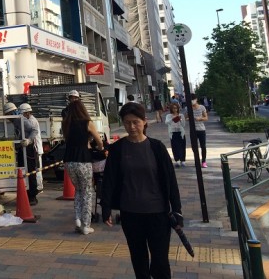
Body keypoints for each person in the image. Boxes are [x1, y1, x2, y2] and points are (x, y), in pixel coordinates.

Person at [101, 102, 183, 279]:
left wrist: (177, 209)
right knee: (139, 260)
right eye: (127, 122)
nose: (131, 127)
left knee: (160, 261)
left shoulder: (156, 147)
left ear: (145, 122)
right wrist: (106, 207)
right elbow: (109, 179)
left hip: (158, 213)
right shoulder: (117, 149)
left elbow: (171, 180)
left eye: (136, 122)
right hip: (131, 213)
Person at [62, 99, 104, 235]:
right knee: (87, 191)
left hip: (69, 161)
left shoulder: (66, 124)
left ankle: (78, 220)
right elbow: (99, 141)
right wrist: (100, 147)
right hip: (83, 160)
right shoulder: (88, 123)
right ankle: (86, 225)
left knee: (78, 190)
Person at [18, 103, 42, 205]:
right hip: (24, 148)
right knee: (23, 172)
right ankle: (26, 194)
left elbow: (34, 131)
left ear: (27, 113)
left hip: (32, 149)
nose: (22, 115)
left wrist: (28, 141)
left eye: (23, 113)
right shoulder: (23, 120)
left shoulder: (32, 121)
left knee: (32, 172)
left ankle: (33, 196)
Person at [188, 94, 209, 168]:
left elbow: (206, 118)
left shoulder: (202, 107)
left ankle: (203, 161)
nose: (192, 101)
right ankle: (197, 161)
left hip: (201, 129)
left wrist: (200, 118)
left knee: (203, 146)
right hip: (193, 130)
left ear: (196, 99)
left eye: (193, 99)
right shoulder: (188, 108)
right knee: (194, 146)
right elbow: (186, 117)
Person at [164, 102, 186, 167]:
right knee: (175, 146)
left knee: (182, 146)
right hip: (173, 133)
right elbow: (166, 122)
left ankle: (183, 160)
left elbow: (183, 124)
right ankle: (177, 160)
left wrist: (180, 119)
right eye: (173, 108)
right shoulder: (168, 116)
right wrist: (173, 119)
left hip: (180, 132)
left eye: (176, 108)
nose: (175, 109)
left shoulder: (181, 115)